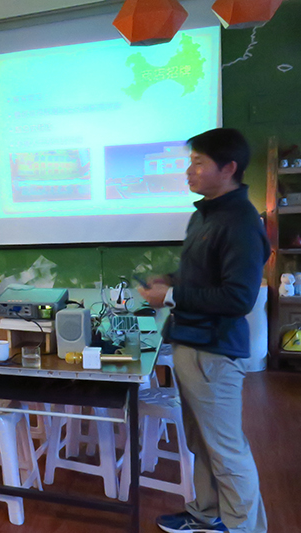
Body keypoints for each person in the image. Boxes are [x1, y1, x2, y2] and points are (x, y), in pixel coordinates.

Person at [139, 128, 269, 533]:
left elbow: (238, 297)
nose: (188, 171)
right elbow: (202, 275)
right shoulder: (205, 214)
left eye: (198, 162)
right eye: (190, 161)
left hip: (214, 351)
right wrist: (170, 280)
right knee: (201, 442)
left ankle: (244, 528)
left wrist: (171, 295)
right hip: (189, 342)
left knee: (226, 450)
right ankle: (207, 513)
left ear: (228, 168)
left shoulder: (241, 222)